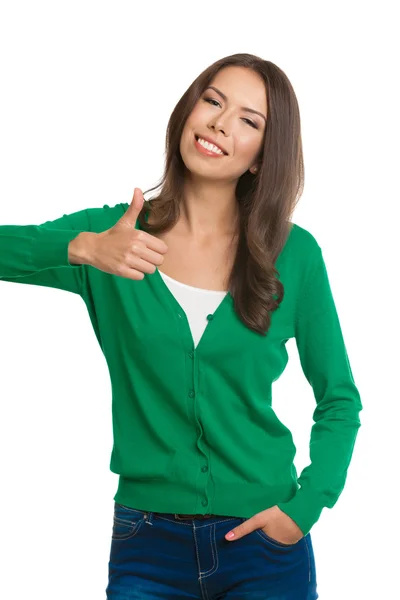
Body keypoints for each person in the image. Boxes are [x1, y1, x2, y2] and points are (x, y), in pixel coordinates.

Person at [0, 53, 362, 599]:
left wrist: (307, 506)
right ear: (188, 111)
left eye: (249, 119)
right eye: (213, 100)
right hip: (146, 544)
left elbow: (339, 398)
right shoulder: (111, 236)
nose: (219, 122)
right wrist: (81, 247)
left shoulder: (294, 255)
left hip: (265, 545)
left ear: (264, 156)